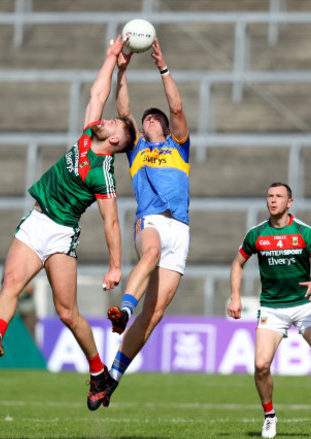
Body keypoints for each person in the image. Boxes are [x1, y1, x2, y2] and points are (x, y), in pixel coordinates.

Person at [0, 35, 137, 412]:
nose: (106, 118)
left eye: (112, 121)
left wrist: (115, 266)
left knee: (67, 313)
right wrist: (111, 56)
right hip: (36, 222)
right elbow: (98, 93)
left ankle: (99, 372)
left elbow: (111, 223)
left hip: (61, 235)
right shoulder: (86, 136)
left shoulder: (104, 175)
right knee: (11, 283)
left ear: (115, 139)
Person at [102, 37, 191, 407]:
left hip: (181, 230)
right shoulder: (137, 149)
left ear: (167, 128)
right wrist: (122, 71)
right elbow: (123, 110)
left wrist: (162, 67)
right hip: (151, 221)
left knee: (154, 316)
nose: (148, 119)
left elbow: (177, 105)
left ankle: (112, 376)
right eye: (145, 118)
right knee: (150, 253)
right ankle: (124, 308)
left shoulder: (179, 146)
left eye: (155, 118)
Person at [227, 182, 311, 439]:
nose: (273, 200)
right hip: (272, 309)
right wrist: (235, 297)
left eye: (279, 196)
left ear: (290, 203)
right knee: (261, 365)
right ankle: (269, 417)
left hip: (305, 306)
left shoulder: (304, 232)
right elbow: (237, 263)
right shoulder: (256, 234)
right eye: (270, 196)